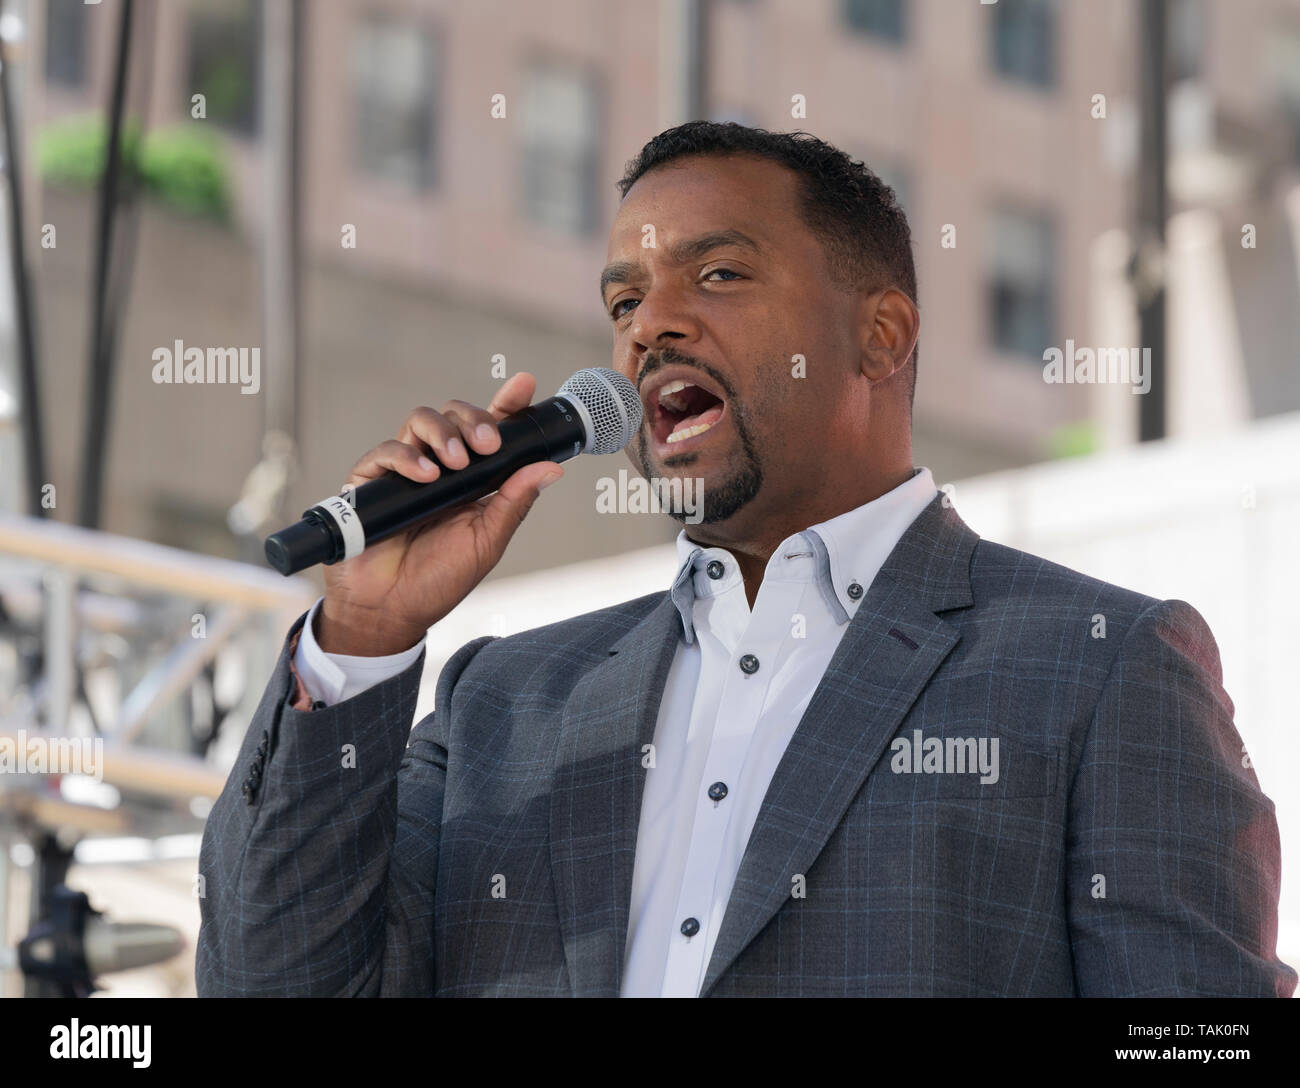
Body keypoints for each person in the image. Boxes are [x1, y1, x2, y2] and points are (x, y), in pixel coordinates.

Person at [196, 122, 1294, 997]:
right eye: (624, 300)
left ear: (881, 333)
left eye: (716, 275)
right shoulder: (501, 703)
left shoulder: (1100, 667)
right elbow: (270, 983)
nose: (648, 327)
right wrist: (365, 645)